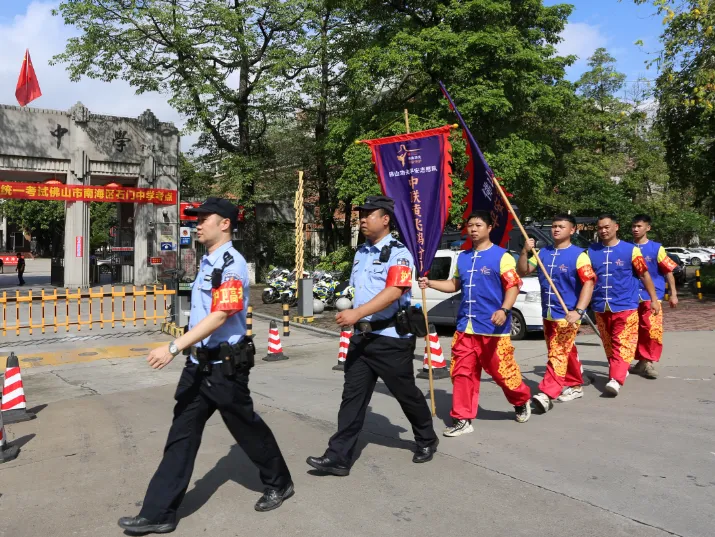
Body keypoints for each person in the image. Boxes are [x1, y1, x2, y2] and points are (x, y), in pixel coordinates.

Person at [119, 198, 293, 535]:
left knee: (247, 429)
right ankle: (159, 512)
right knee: (180, 436)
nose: (197, 224)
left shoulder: (232, 264)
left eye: (203, 219)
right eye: (196, 219)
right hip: (199, 365)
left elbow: (221, 314)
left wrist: (173, 346)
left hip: (224, 368)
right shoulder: (208, 260)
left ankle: (279, 482)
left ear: (224, 223)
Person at [306, 195, 439, 476]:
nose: (362, 220)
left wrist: (358, 313)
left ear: (385, 219)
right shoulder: (361, 252)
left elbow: (395, 291)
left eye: (368, 215)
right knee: (352, 398)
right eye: (360, 215)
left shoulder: (400, 253)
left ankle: (426, 438)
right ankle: (338, 457)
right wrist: (345, 302)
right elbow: (356, 288)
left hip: (390, 338)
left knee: (406, 394)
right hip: (361, 338)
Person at [418, 211, 532, 437]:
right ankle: (462, 418)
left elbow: (513, 286)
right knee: (461, 373)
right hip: (465, 327)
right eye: (470, 225)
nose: (473, 229)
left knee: (501, 372)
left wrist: (504, 309)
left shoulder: (502, 257)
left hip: (493, 328)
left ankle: (521, 399)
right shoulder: (463, 257)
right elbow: (454, 285)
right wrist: (430, 283)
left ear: (489, 228)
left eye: (478, 225)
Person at [516, 214, 596, 413]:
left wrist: (578, 311)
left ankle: (547, 393)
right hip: (548, 313)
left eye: (561, 226)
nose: (556, 229)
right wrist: (525, 252)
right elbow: (523, 271)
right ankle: (576, 385)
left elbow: (589, 282)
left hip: (567, 314)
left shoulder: (579, 255)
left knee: (557, 353)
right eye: (553, 226)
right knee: (565, 351)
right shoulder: (543, 253)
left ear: (572, 230)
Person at [588, 214, 660, 396]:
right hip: (600, 306)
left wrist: (653, 299)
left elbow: (645, 275)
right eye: (600, 228)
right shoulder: (591, 251)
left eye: (607, 227)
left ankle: (616, 379)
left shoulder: (631, 250)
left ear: (616, 227)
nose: (603, 231)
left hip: (626, 305)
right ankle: (620, 370)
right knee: (609, 344)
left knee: (623, 342)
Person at [630, 214, 678, 379]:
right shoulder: (626, 248)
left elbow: (668, 271)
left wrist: (673, 294)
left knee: (651, 329)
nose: (635, 229)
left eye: (639, 226)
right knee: (634, 330)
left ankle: (648, 362)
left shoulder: (657, 248)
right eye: (634, 226)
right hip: (630, 296)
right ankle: (640, 362)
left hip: (652, 296)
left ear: (648, 228)